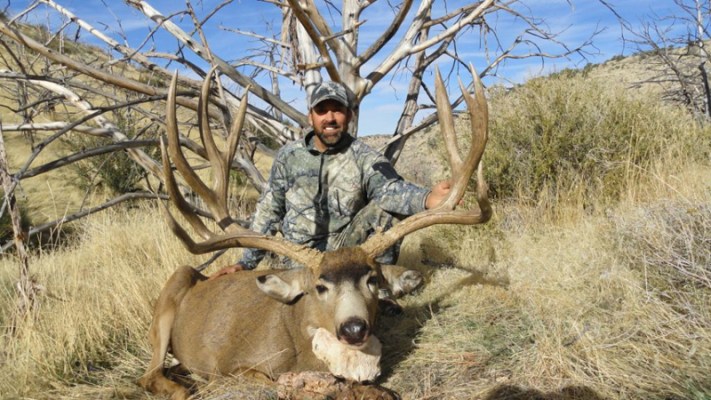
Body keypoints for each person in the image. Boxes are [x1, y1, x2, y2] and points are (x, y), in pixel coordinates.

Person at [210, 81, 454, 282]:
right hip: (300, 256)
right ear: (311, 117)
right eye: (322, 110)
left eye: (337, 110)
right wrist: (245, 263)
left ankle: (376, 288)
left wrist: (426, 199)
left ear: (348, 115)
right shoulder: (288, 157)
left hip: (347, 251)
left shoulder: (364, 156)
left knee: (385, 209)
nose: (330, 118)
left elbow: (390, 189)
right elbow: (270, 210)